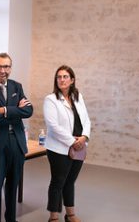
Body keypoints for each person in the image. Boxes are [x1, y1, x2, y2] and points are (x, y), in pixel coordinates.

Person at [0, 52, 33, 222]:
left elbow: (28, 110)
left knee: (13, 187)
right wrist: (15, 110)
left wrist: (4, 110)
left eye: (6, 66)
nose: (2, 70)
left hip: (17, 143)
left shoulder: (16, 86)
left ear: (10, 68)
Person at [43, 65, 91, 222]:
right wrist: (72, 142)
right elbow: (53, 126)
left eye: (65, 76)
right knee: (58, 181)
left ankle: (70, 215)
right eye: (59, 77)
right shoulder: (51, 99)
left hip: (79, 146)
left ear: (72, 80)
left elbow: (86, 120)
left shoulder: (78, 96)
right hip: (59, 148)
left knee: (70, 181)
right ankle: (53, 217)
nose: (62, 80)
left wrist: (84, 137)